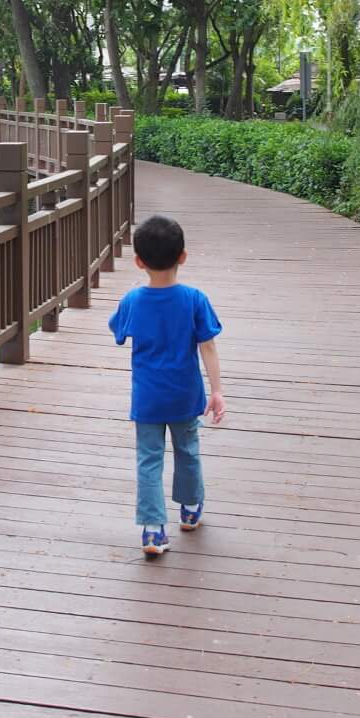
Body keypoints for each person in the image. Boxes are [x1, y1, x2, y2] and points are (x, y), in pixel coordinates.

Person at [106, 214, 226, 558]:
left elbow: (118, 331)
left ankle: (152, 529)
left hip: (147, 397)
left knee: (148, 459)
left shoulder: (132, 300)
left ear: (139, 261)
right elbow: (208, 346)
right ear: (182, 256)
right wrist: (217, 391)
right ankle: (189, 509)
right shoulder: (194, 299)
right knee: (187, 450)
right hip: (185, 395)